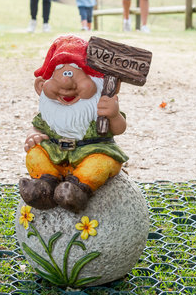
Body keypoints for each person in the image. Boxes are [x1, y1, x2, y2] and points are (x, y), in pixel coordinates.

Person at [19, 35, 127, 213]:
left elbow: (119, 129)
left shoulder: (99, 110)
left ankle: (77, 190)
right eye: (61, 74)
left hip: (92, 152)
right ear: (40, 86)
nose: (67, 85)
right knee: (35, 153)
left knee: (100, 164)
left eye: (73, 74)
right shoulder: (49, 115)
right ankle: (44, 186)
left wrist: (114, 114)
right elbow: (37, 127)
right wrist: (33, 134)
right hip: (56, 154)